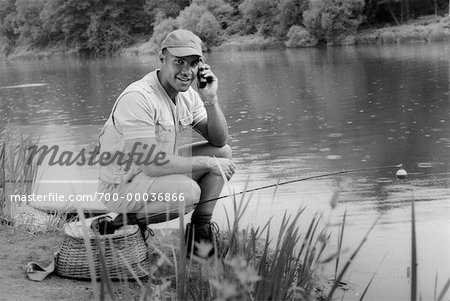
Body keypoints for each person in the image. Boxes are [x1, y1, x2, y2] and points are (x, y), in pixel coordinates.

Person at [94, 29, 235, 258]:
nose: (186, 71)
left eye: (193, 63)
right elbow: (151, 164)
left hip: (153, 174)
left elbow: (219, 140)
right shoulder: (139, 97)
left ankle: (199, 234)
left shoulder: (188, 94)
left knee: (222, 152)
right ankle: (125, 223)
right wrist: (206, 163)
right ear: (162, 58)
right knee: (189, 193)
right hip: (122, 185)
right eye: (179, 61)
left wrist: (211, 99)